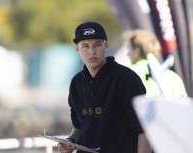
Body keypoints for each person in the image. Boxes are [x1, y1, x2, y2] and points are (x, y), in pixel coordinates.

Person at [57, 21, 151, 153]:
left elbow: (144, 129)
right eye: (85, 46)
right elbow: (79, 128)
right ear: (77, 48)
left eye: (97, 45)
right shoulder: (76, 82)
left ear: (106, 45)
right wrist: (70, 142)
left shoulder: (126, 78)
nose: (91, 51)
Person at [125, 29, 187, 98]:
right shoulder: (173, 76)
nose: (127, 54)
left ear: (136, 51)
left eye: (129, 49)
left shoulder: (129, 73)